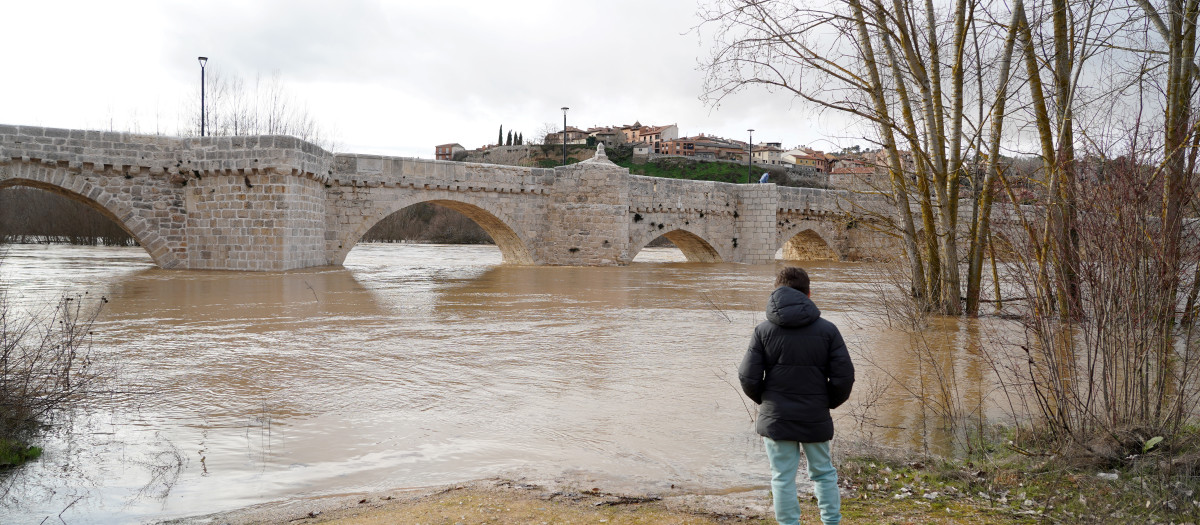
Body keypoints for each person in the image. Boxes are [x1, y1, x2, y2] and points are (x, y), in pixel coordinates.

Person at [739, 266, 855, 525]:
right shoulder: (828, 330)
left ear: (776, 292)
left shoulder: (763, 331)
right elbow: (844, 377)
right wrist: (826, 402)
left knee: (782, 477)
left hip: (777, 415)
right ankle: (831, 522)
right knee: (824, 474)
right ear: (809, 294)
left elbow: (748, 377)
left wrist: (768, 401)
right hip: (814, 414)